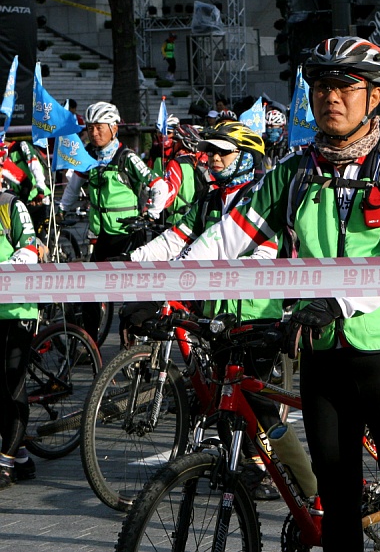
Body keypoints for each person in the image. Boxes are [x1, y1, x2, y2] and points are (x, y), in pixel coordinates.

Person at [173, 36, 380, 551]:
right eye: (322, 87)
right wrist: (163, 284)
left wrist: (338, 301)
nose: (332, 98)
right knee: (336, 503)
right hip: (319, 355)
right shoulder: (294, 171)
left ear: (375, 98)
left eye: (346, 87)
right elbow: (225, 236)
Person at [128, 121, 283, 500]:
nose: (212, 158)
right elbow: (175, 238)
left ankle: (268, 467)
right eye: (210, 151)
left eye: (222, 152)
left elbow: (270, 248)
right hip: (214, 314)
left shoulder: (264, 196)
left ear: (246, 158)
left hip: (256, 312)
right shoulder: (210, 199)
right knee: (221, 392)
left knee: (255, 398)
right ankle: (234, 462)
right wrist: (132, 261)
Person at [58, 101, 169, 343]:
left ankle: (134, 348)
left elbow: (159, 185)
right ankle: (90, 343)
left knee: (133, 296)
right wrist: (61, 210)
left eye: (99, 128)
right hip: (102, 236)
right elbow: (73, 187)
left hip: (129, 234)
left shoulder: (126, 157)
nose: (94, 133)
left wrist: (150, 214)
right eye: (90, 128)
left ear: (114, 128)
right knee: (89, 292)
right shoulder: (87, 156)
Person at [0, 189, 40, 490]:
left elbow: (28, 249)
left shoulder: (9, 204)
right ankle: (22, 457)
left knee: (12, 384)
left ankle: (5, 462)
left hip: (16, 307)